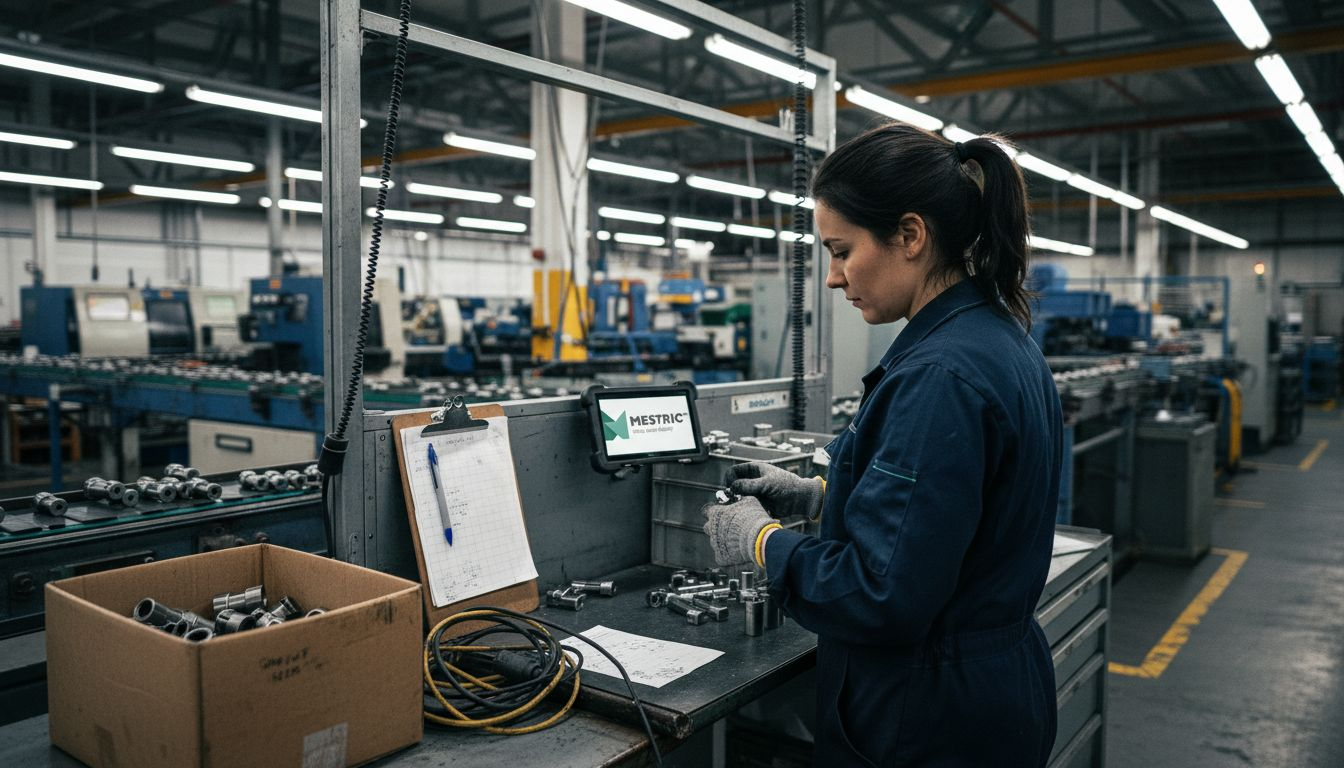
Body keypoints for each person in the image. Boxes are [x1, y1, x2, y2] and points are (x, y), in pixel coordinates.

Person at [702, 122, 1063, 767]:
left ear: (910, 235)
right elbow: (953, 512)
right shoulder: (996, 338)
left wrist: (761, 542)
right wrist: (819, 495)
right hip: (986, 692)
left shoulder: (937, 378)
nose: (836, 278)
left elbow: (880, 595)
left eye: (842, 251)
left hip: (927, 717)